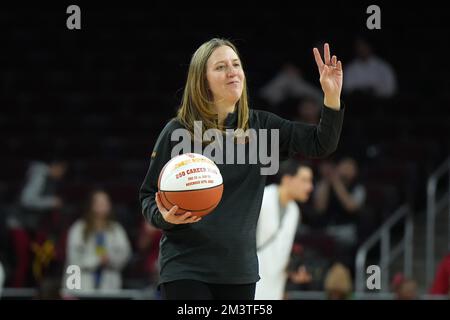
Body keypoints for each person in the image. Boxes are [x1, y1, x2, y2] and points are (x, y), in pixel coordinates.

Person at [139, 38, 345, 300]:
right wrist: (164, 217)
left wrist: (331, 97)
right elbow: (148, 197)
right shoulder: (178, 131)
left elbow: (321, 143)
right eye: (221, 67)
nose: (232, 71)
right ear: (202, 80)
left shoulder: (262, 129)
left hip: (239, 271)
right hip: (185, 267)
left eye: (236, 64)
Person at [255, 160, 314, 300]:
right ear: (287, 179)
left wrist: (293, 271)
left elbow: (282, 252)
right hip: (250, 282)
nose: (310, 187)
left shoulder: (294, 211)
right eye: (305, 180)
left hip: (275, 288)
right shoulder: (262, 199)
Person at [65, 189, 131, 292]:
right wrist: (97, 260)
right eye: (99, 202)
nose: (103, 205)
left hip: (109, 285)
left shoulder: (116, 229)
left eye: (106, 202)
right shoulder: (79, 228)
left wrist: (110, 259)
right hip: (82, 285)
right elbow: (74, 259)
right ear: (91, 205)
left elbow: (125, 254)